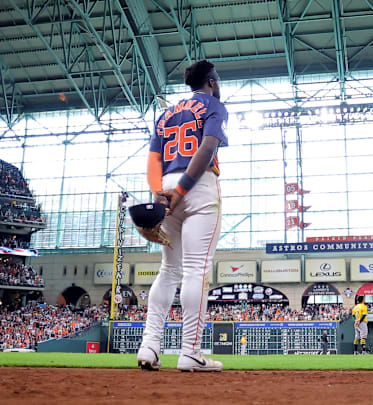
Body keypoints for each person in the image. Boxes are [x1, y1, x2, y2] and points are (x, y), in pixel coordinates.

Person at [136, 60, 228, 372]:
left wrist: (158, 193)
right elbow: (208, 147)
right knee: (195, 271)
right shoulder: (213, 105)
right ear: (212, 82)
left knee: (168, 270)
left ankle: (149, 346)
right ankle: (190, 352)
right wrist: (184, 189)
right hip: (197, 186)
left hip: (165, 188)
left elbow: (153, 159)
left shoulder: (167, 113)